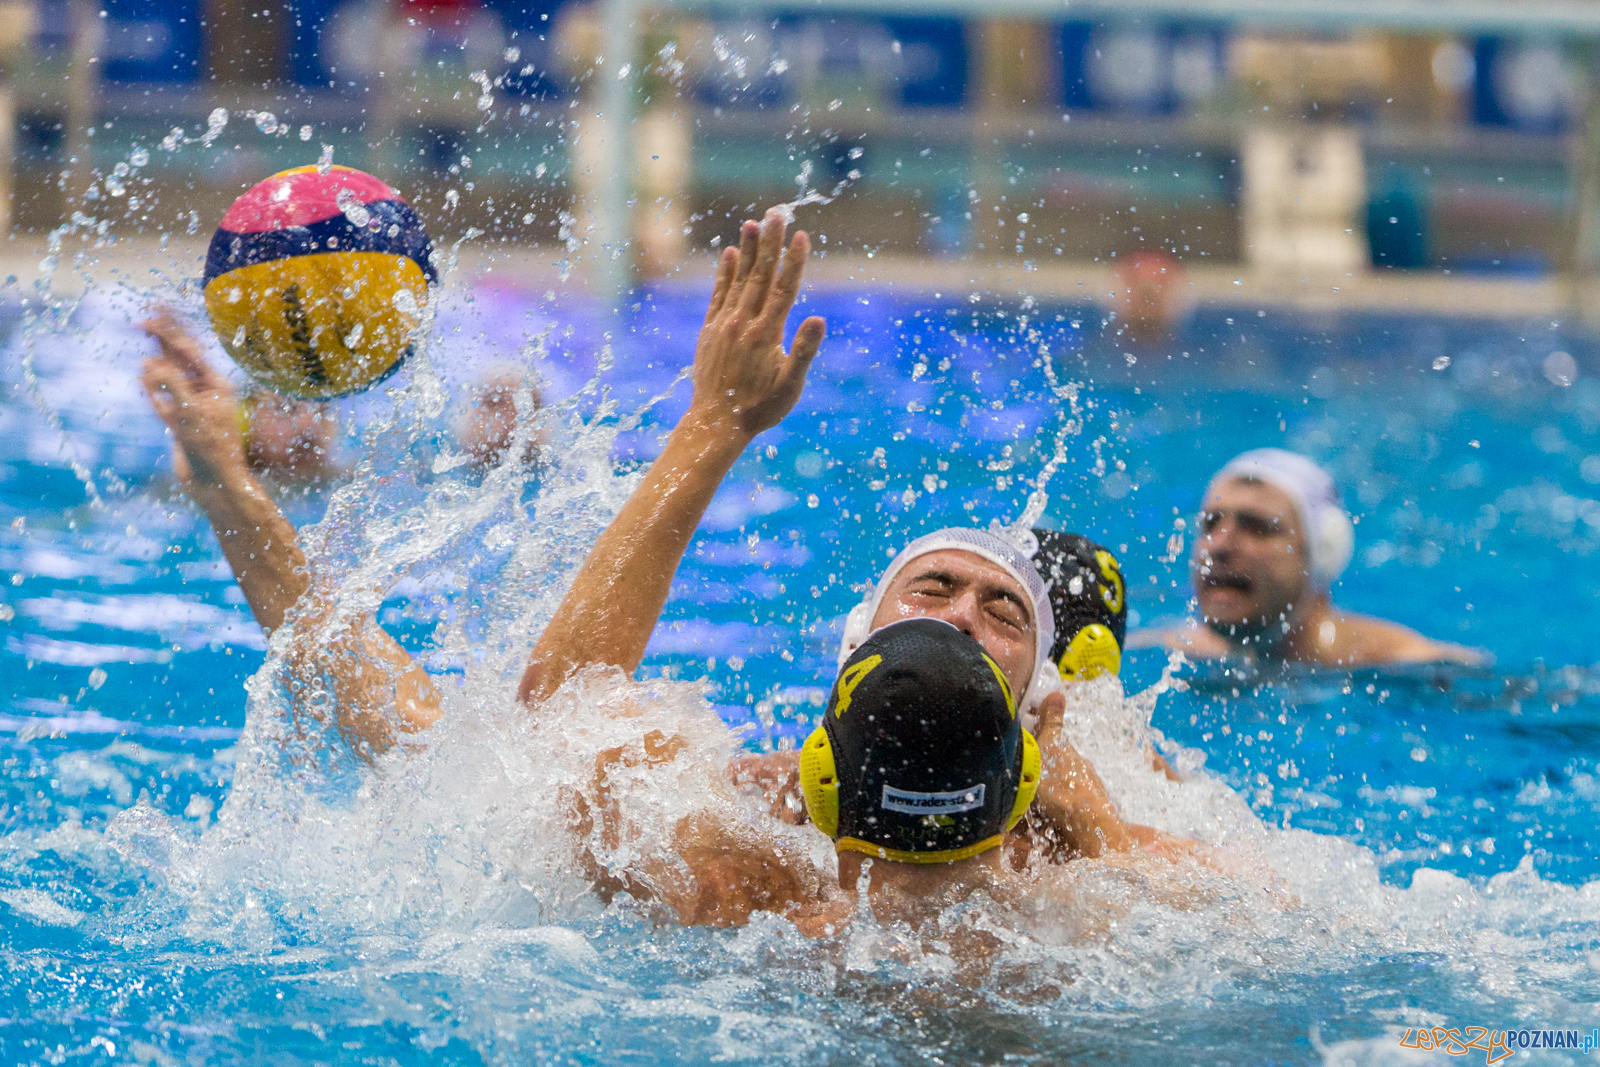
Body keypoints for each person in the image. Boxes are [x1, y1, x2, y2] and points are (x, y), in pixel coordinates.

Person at [142, 210, 1185, 932]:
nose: (960, 615)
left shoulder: (737, 872)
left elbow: (547, 722)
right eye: (934, 587)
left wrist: (716, 420)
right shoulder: (1115, 886)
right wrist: (232, 491)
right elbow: (436, 745)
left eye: (1001, 606)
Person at [1132, 448, 1482, 666]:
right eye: (1210, 524)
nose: (1220, 546)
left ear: (1323, 553)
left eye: (1257, 528)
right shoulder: (1165, 653)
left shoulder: (1403, 665)